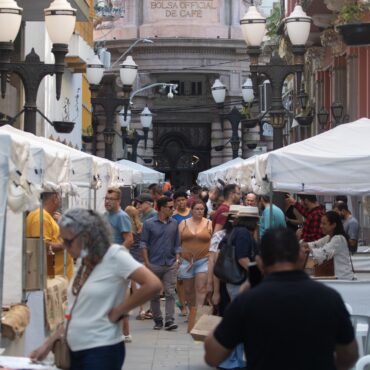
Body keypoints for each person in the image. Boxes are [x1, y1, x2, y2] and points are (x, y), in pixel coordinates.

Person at [204, 227, 358, 370]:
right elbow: (350, 355)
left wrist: (237, 303)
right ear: (301, 256)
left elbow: (213, 356)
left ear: (260, 262)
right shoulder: (330, 298)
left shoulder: (247, 301)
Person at [29, 208, 162, 370]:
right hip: (75, 349)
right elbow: (75, 311)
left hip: (101, 349)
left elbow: (153, 284)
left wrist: (120, 310)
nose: (64, 247)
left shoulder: (114, 255)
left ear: (86, 237)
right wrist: (49, 343)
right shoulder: (84, 262)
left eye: (68, 241)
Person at [140, 196, 181, 331]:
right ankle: (158, 319)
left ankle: (169, 320)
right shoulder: (149, 223)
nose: (172, 209)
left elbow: (177, 244)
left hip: (170, 263)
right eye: (170, 207)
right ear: (162, 208)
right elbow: (143, 243)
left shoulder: (174, 223)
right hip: (154, 263)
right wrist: (147, 262)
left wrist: (177, 258)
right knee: (154, 294)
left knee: (170, 292)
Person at [26, 191, 73, 280]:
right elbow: (43, 245)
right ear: (55, 198)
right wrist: (67, 244)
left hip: (57, 277)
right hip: (50, 278)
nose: (60, 200)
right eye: (59, 196)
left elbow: (55, 237)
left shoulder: (47, 216)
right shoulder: (41, 217)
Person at [178, 200, 212, 308]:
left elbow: (213, 242)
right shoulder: (184, 223)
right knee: (188, 290)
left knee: (201, 288)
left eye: (202, 209)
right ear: (191, 210)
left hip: (204, 260)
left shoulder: (209, 223)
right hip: (186, 261)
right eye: (197, 209)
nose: (200, 211)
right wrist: (177, 257)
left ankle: (198, 315)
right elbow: (177, 242)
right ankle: (192, 314)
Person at [303, 211, 354, 280]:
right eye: (321, 223)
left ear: (333, 225)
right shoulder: (328, 237)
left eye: (324, 224)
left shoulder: (339, 239)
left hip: (343, 279)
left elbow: (324, 252)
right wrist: (301, 245)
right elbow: (315, 244)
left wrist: (310, 250)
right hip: (336, 278)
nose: (321, 226)